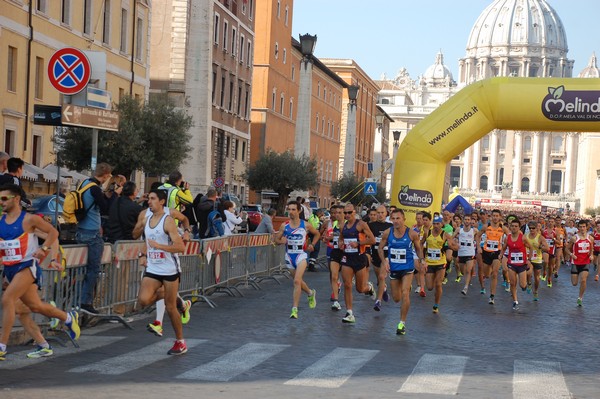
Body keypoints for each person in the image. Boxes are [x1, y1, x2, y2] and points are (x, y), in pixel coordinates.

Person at [0, 184, 80, 360]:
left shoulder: (30, 220)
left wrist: (48, 254)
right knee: (29, 308)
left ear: (17, 199)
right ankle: (62, 323)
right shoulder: (1, 221)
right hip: (11, 269)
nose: (1, 202)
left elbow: (53, 234)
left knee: (7, 300)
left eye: (4, 198)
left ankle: (1, 347)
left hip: (28, 266)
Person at [137, 189, 188, 355]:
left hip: (169, 269)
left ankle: (180, 342)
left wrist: (161, 247)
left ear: (161, 202)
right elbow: (145, 239)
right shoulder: (146, 220)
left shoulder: (168, 221)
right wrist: (143, 254)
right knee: (143, 301)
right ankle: (171, 295)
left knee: (170, 307)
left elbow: (180, 247)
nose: (149, 201)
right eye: (148, 199)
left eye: (152, 199)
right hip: (153, 268)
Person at [378, 209, 425, 335]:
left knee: (405, 294)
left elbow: (418, 248)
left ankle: (402, 323)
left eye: (398, 218)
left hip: (407, 268)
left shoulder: (412, 234)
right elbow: (380, 248)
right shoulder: (388, 233)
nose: (395, 221)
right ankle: (389, 288)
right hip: (394, 268)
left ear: (404, 219)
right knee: (396, 298)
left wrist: (421, 260)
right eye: (393, 218)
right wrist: (384, 261)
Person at [76, 162, 112, 314]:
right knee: (93, 269)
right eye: (107, 177)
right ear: (104, 176)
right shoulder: (95, 189)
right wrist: (112, 195)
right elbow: (105, 208)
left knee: (79, 269)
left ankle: (75, 300)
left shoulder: (83, 183)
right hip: (92, 233)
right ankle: (85, 302)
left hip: (80, 230)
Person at [274, 200, 319, 319]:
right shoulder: (285, 225)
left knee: (296, 282)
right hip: (289, 256)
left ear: (299, 211)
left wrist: (312, 245)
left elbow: (317, 234)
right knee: (298, 281)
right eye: (289, 209)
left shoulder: (306, 225)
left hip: (301, 255)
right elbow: (276, 240)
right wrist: (280, 241)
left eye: (293, 209)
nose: (291, 212)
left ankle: (294, 309)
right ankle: (310, 293)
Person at [338, 203, 376, 324]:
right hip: (347, 258)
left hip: (359, 258)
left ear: (354, 212)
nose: (347, 215)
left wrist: (359, 243)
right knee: (347, 285)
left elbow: (372, 240)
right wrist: (340, 244)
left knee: (360, 289)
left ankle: (369, 288)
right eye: (345, 213)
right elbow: (341, 238)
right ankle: (349, 313)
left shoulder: (361, 224)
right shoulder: (343, 226)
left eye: (349, 212)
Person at [424, 215, 456, 313]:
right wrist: (421, 258)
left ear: (441, 224)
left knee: (438, 284)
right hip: (429, 262)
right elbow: (421, 244)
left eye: (438, 224)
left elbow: (452, 245)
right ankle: (433, 278)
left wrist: (455, 247)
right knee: (429, 287)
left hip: (441, 262)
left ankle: (436, 305)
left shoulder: (445, 234)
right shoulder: (427, 232)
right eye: (434, 223)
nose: (436, 225)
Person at [501, 217, 533, 310]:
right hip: (512, 263)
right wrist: (501, 255)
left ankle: (526, 285)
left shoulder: (522, 237)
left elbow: (530, 248)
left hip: (522, 264)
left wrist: (529, 259)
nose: (514, 228)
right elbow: (504, 248)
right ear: (510, 227)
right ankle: (515, 301)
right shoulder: (508, 238)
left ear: (519, 227)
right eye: (512, 226)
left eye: (516, 226)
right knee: (513, 283)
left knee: (522, 285)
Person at [477, 209, 506, 305]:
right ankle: (486, 279)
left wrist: (504, 250)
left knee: (495, 273)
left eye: (497, 216)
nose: (495, 217)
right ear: (491, 217)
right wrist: (478, 247)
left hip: (497, 252)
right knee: (487, 274)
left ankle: (492, 296)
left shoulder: (503, 228)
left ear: (500, 217)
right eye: (494, 215)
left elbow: (511, 237)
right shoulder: (486, 226)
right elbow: (477, 236)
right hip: (486, 252)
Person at [368, 205, 393, 311]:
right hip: (375, 254)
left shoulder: (391, 225)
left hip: (386, 255)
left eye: (382, 213)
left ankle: (378, 301)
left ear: (386, 214)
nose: (380, 215)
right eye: (378, 213)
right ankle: (384, 288)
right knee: (379, 279)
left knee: (382, 277)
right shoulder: (370, 225)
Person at [566, 219, 594, 307]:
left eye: (584, 227)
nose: (582, 228)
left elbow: (591, 249)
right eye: (580, 227)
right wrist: (571, 254)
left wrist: (591, 255)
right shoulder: (574, 238)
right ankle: (577, 284)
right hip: (575, 262)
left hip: (585, 262)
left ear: (587, 227)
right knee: (574, 283)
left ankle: (580, 298)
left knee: (583, 280)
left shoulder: (590, 238)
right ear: (578, 227)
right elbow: (566, 248)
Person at [322, 205, 345, 311]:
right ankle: (335, 299)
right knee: (333, 274)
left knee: (347, 278)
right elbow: (321, 232)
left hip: (345, 252)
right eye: (333, 213)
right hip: (332, 249)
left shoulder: (346, 224)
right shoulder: (328, 223)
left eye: (337, 212)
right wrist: (323, 237)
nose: (334, 215)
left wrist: (331, 237)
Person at [453, 213, 478, 296]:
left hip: (470, 252)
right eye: (465, 219)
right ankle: (468, 279)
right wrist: (455, 243)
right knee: (463, 271)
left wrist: (478, 245)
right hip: (461, 252)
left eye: (468, 219)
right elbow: (452, 238)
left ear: (470, 221)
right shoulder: (458, 230)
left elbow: (479, 237)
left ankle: (466, 287)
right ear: (463, 221)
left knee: (468, 270)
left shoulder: (474, 230)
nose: (467, 221)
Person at [524, 221, 549, 301]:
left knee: (537, 278)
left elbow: (547, 248)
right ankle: (529, 283)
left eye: (533, 228)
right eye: (530, 228)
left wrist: (539, 246)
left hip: (537, 259)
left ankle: (535, 291)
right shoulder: (525, 236)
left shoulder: (540, 237)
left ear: (536, 228)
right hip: (529, 258)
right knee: (528, 273)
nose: (531, 230)